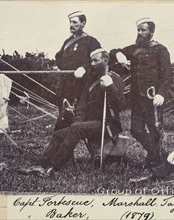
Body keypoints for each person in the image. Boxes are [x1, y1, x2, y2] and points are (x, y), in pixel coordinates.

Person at [32, 49, 125, 177]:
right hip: (90, 125)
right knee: (59, 134)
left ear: (105, 60)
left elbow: (120, 105)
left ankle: (53, 168)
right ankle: (41, 164)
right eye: (91, 61)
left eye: (96, 61)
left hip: (108, 125)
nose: (92, 64)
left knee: (77, 128)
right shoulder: (91, 80)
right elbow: (82, 106)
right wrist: (76, 123)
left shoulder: (114, 78)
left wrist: (110, 86)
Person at [112, 17, 173, 168]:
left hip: (153, 98)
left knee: (155, 131)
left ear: (152, 32)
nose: (140, 33)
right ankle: (158, 156)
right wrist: (119, 54)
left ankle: (155, 161)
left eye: (143, 30)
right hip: (137, 98)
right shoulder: (134, 49)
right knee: (136, 130)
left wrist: (161, 94)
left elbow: (167, 75)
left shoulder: (161, 50)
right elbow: (113, 52)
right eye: (138, 30)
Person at [54, 11, 102, 131]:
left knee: (67, 124)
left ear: (83, 23)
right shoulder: (67, 42)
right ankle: (66, 148)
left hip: (80, 88)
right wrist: (66, 69)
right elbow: (58, 58)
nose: (71, 25)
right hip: (64, 87)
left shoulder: (91, 41)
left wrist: (84, 68)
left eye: (75, 22)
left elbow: (100, 62)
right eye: (70, 22)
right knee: (63, 121)